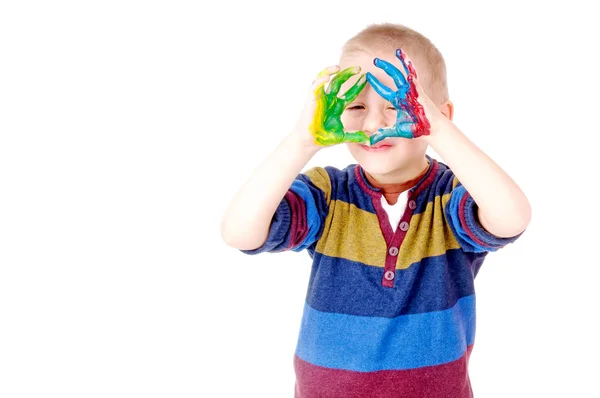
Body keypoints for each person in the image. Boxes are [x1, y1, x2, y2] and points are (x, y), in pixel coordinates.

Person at [220, 22, 531, 398]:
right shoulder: (329, 193)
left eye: (398, 105)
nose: (373, 123)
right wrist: (301, 141)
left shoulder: (452, 197)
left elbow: (511, 218)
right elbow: (240, 233)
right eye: (356, 105)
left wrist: (439, 131)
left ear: (439, 116)